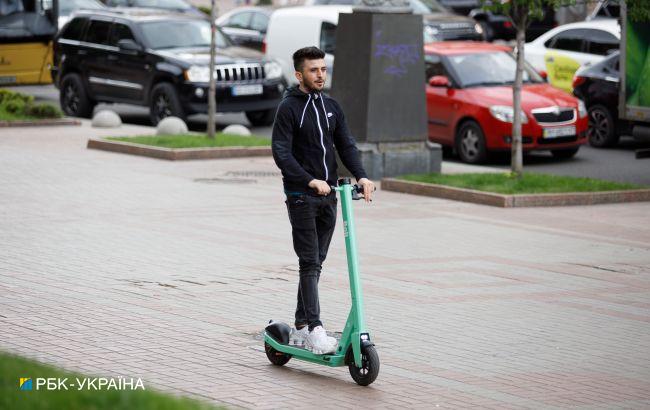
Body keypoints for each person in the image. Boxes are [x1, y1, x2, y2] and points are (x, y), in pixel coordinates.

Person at [272, 46, 375, 355]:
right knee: (309, 262)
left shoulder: (331, 106)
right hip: (302, 196)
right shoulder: (288, 108)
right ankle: (315, 329)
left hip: (330, 197)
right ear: (299, 74)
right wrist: (309, 180)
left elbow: (346, 144)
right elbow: (281, 153)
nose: (320, 74)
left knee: (316, 264)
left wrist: (362, 176)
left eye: (323, 69)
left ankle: (302, 326)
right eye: (314, 70)